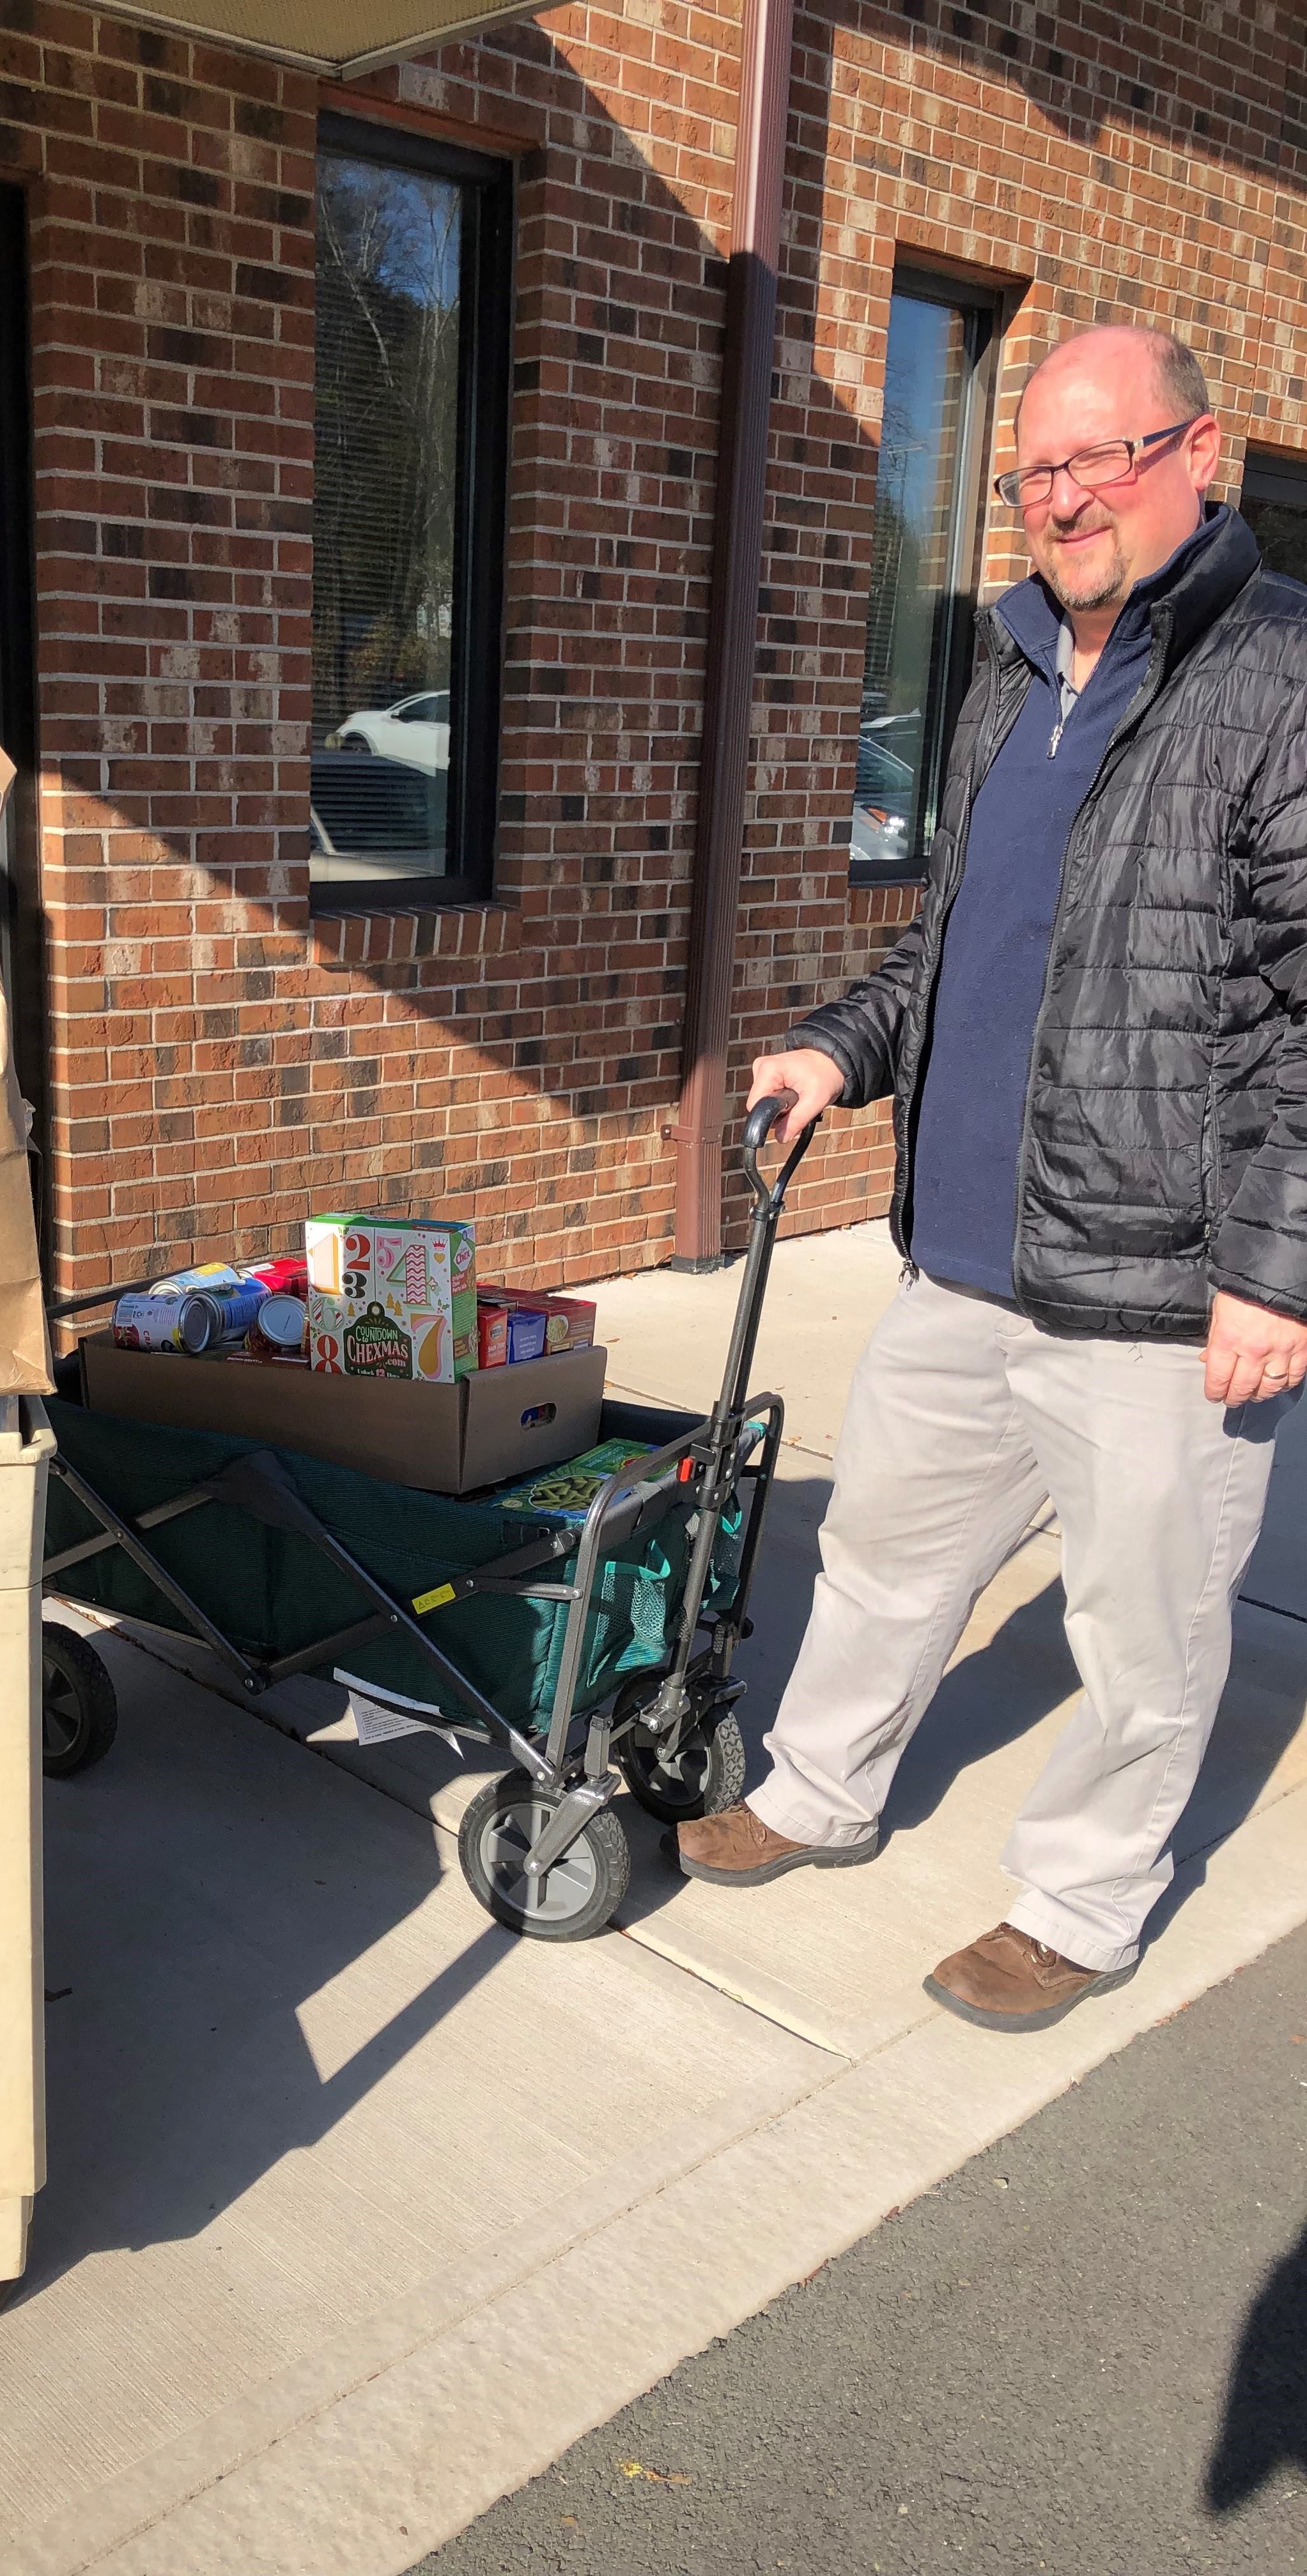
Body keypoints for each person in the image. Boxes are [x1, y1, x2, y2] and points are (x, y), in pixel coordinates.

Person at [674, 325, 1307, 2032]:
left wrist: (1279, 1270)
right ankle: (818, 1789)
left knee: (1144, 1630)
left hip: (1163, 1282)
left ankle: (1086, 1900)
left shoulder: (1283, 677)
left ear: (1201, 452)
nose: (1061, 497)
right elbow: (962, 947)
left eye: (1101, 457)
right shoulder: (1010, 676)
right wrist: (837, 1045)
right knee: (882, 1547)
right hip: (964, 1254)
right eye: (1034, 469)